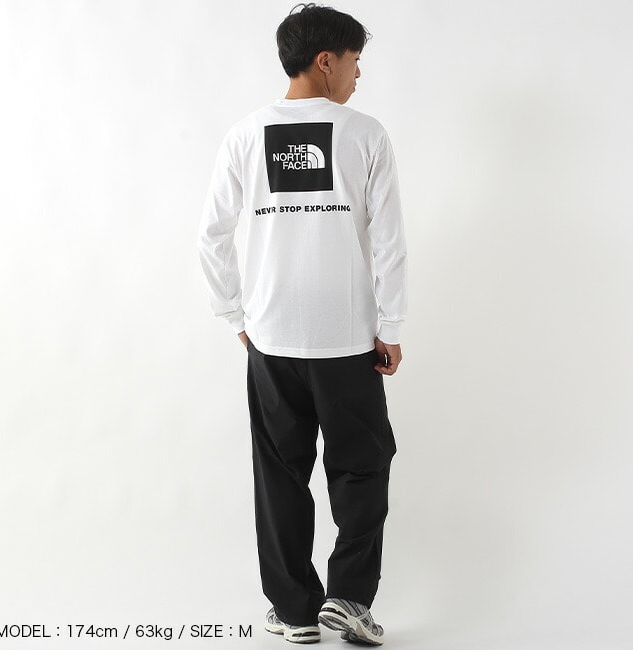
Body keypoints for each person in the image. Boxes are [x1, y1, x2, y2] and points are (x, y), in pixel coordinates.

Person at [197, 2, 407, 645]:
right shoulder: (365, 134)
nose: (357, 75)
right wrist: (391, 325)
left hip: (272, 339)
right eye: (354, 61)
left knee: (280, 474)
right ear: (325, 61)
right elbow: (390, 243)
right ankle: (349, 601)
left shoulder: (244, 134)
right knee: (362, 468)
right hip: (348, 339)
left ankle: (293, 612)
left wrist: (235, 314)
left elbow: (211, 237)